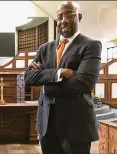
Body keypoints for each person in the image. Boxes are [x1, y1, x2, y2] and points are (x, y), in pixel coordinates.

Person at [24, 1, 101, 154]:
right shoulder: (44, 49)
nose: (64, 20)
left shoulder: (90, 45)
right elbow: (28, 78)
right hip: (47, 124)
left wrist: (45, 84)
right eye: (59, 17)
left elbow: (84, 83)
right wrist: (59, 74)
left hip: (76, 124)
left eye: (70, 14)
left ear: (79, 17)